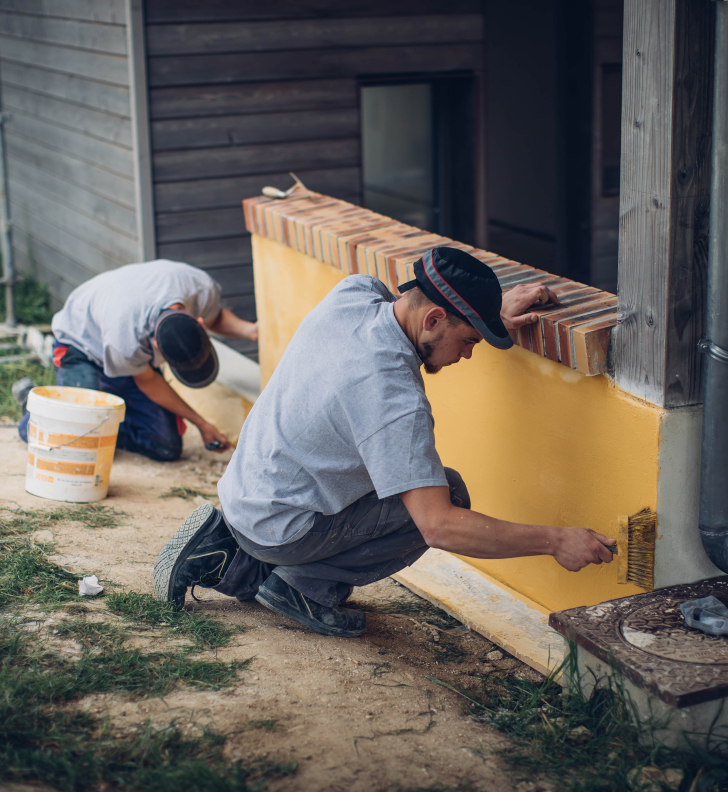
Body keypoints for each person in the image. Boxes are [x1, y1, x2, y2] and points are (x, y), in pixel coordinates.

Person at [154, 247, 615, 636]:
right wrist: (555, 540)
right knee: (447, 494)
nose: (469, 354)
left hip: (248, 494)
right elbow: (440, 526)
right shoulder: (394, 398)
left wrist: (487, 316)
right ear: (434, 318)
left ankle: (223, 556)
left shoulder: (353, 293)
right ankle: (303, 588)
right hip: (284, 527)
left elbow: (402, 299)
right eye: (470, 339)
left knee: (397, 483)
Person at [14, 259, 258, 462]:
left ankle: (104, 417)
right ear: (155, 345)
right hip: (82, 346)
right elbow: (148, 382)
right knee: (78, 443)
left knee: (166, 449)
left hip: (127, 358)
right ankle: (33, 405)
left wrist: (251, 331)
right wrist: (201, 423)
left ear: (198, 322)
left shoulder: (199, 288)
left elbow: (216, 318)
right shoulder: (126, 340)